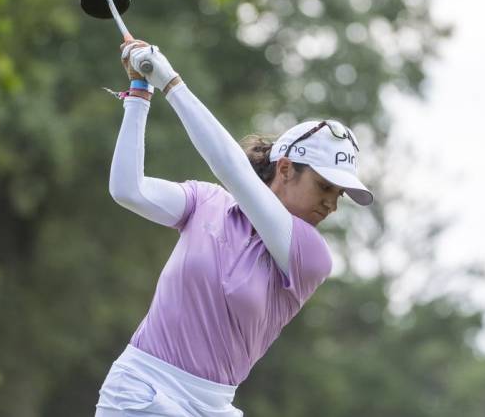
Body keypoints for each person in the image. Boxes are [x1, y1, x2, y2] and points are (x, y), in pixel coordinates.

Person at [95, 40, 373, 417]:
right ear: (287, 168)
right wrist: (140, 92)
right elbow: (128, 189)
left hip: (214, 406)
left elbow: (232, 170)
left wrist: (171, 83)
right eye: (325, 187)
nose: (331, 204)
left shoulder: (310, 255)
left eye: (339, 194)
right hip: (143, 391)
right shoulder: (206, 202)